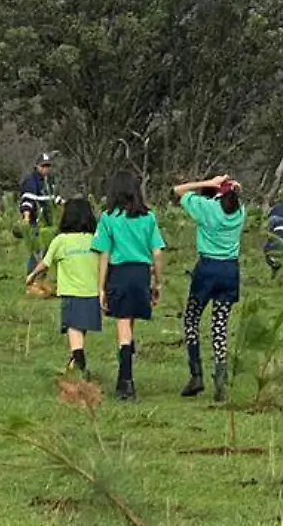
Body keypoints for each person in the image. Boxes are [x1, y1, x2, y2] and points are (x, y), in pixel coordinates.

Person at [91, 170, 165, 401]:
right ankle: (126, 370)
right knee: (130, 321)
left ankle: (126, 381)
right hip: (141, 273)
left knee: (123, 325)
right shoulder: (149, 218)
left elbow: (104, 254)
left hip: (119, 273)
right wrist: (157, 281)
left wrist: (101, 287)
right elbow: (157, 251)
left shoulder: (108, 218)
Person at [171, 173, 246, 401]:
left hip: (207, 268)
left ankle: (196, 375)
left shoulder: (205, 208)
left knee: (192, 319)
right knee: (220, 325)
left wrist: (207, 183)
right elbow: (235, 198)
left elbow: (177, 191)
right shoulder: (239, 212)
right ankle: (220, 379)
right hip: (230, 270)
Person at [26, 198, 101, 375]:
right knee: (81, 327)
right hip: (91, 292)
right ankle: (74, 362)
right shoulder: (94, 239)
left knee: (73, 327)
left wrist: (32, 275)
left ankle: (79, 360)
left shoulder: (61, 240)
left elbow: (45, 263)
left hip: (71, 292)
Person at [18, 152, 62, 272]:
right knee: (37, 250)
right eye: (43, 166)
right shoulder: (31, 180)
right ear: (37, 166)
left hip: (49, 222)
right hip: (36, 221)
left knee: (48, 251)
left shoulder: (50, 180)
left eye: (48, 166)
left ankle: (42, 279)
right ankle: (32, 278)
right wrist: (26, 218)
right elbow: (27, 201)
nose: (46, 169)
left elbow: (54, 198)